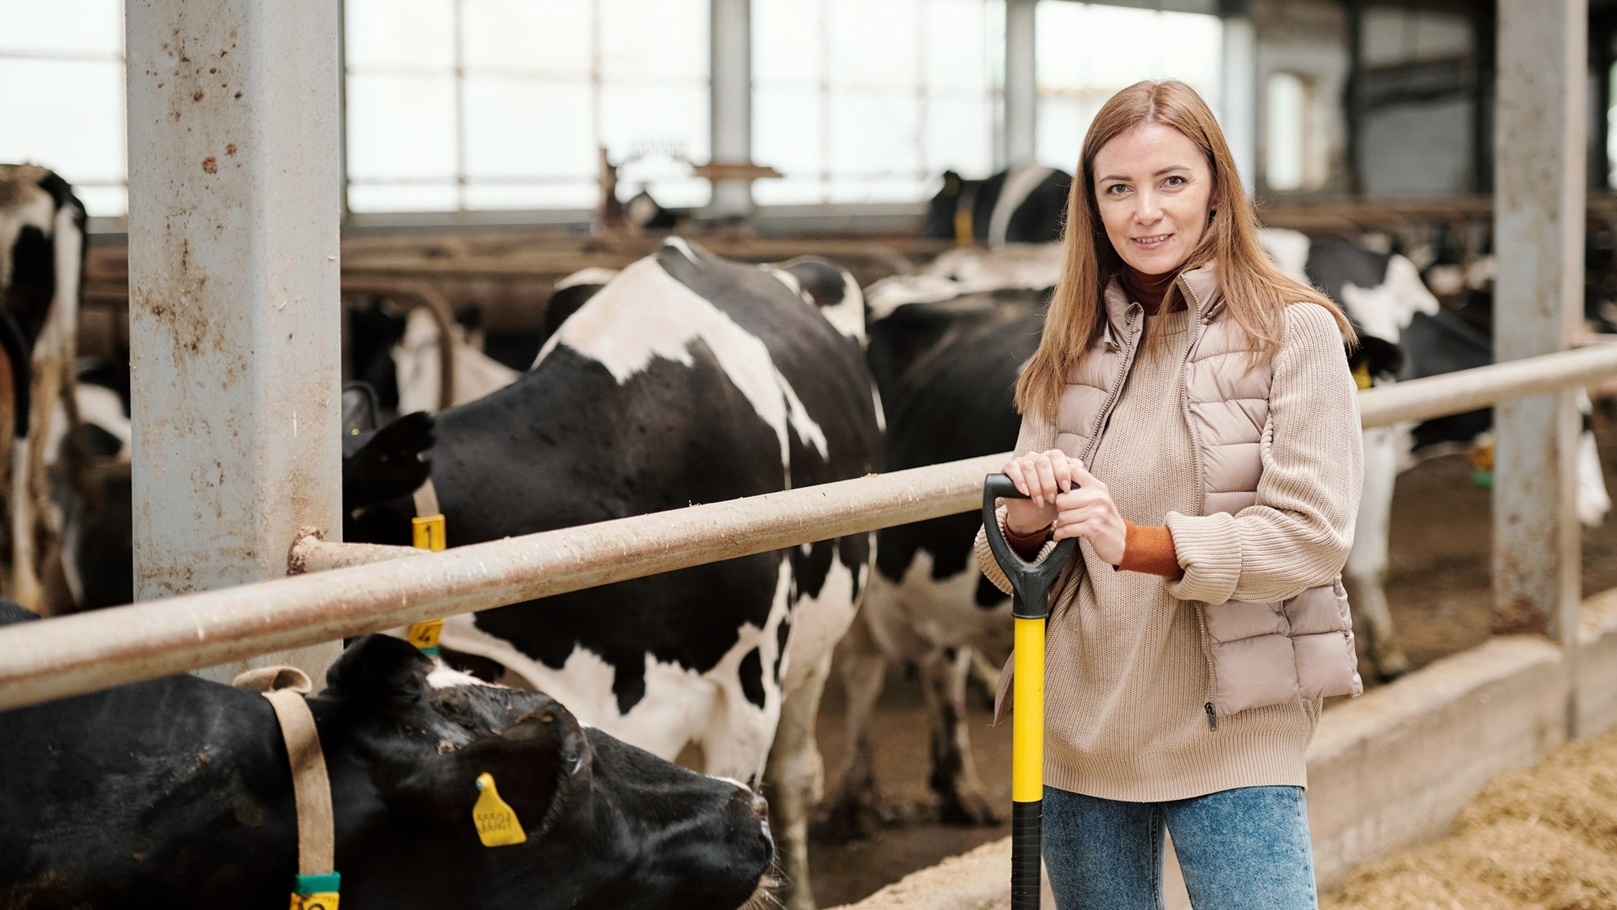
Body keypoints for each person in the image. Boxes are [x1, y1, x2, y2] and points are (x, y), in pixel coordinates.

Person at [976, 79, 1364, 910]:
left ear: (1216, 187)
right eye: (1118, 188)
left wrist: (1137, 543)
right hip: (1076, 730)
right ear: (1092, 206)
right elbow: (1000, 562)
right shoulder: (1069, 343)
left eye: (1171, 182)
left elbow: (1312, 535)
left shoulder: (1292, 332)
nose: (1144, 211)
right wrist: (1030, 515)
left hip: (1230, 727)